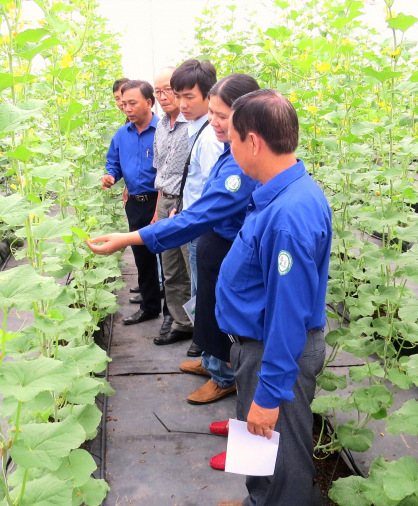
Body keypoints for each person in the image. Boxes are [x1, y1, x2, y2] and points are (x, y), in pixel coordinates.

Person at [87, 74, 260, 410]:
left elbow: (203, 214)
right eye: (212, 112)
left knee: (221, 312)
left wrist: (127, 238)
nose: (212, 121)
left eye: (221, 115)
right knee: (206, 305)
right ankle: (213, 361)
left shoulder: (242, 165)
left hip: (226, 243)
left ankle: (224, 376)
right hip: (212, 237)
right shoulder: (227, 147)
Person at [216, 89, 331, 506]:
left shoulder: (288, 217)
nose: (228, 147)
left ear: (253, 142)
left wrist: (268, 395)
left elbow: (288, 314)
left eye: (231, 138)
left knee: (284, 469)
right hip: (261, 350)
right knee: (265, 461)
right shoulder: (284, 192)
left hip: (274, 354)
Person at [101, 80, 161, 325]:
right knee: (142, 257)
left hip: (159, 200)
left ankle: (175, 316)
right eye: (123, 103)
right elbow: (113, 162)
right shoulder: (121, 134)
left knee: (169, 260)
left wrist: (161, 207)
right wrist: (111, 176)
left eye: (132, 103)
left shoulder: (163, 131)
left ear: (149, 102)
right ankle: (150, 307)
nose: (126, 108)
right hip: (135, 203)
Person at [169, 60, 224, 325]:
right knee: (198, 289)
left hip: (202, 227)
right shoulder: (198, 128)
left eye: (189, 97)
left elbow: (215, 192)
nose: (182, 104)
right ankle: (205, 350)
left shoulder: (210, 137)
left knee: (203, 291)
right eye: (178, 96)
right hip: (194, 220)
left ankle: (210, 357)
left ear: (209, 95)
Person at [149, 66, 194, 345]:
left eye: (168, 89)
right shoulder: (161, 127)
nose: (163, 96)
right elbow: (160, 172)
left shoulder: (195, 127)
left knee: (193, 266)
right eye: (158, 91)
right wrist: (157, 211)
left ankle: (202, 327)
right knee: (170, 267)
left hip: (187, 203)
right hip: (165, 200)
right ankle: (181, 321)